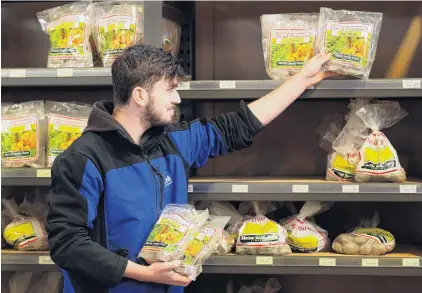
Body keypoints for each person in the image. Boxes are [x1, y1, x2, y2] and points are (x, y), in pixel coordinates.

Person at [47, 44, 333, 293]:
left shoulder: (172, 142)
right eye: (170, 89)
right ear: (140, 95)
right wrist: (144, 273)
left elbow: (238, 126)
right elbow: (67, 244)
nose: (177, 99)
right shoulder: (84, 158)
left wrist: (300, 80)